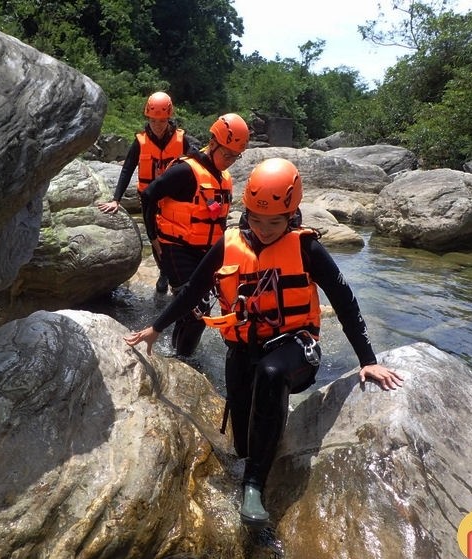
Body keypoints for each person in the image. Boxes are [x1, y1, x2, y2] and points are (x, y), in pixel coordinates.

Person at [124, 157, 404, 528]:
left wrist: (368, 359)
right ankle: (264, 442)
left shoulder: (307, 249)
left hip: (297, 348)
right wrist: (156, 329)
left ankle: (254, 486)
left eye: (275, 222)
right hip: (243, 349)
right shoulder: (229, 245)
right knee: (242, 444)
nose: (265, 229)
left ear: (292, 214)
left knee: (271, 374)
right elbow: (191, 291)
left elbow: (345, 302)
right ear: (247, 211)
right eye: (256, 219)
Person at [138, 112, 250, 356]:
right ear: (212, 144)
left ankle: (176, 351)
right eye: (226, 153)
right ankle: (183, 359)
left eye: (235, 156)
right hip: (175, 248)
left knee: (195, 310)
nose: (230, 160)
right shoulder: (186, 171)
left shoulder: (224, 178)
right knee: (197, 312)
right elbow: (148, 196)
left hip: (205, 251)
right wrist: (153, 238)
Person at [98, 91, 194, 293]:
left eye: (162, 120)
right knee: (154, 237)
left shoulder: (182, 139)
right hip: (149, 198)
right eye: (153, 120)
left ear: (169, 118)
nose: (157, 124)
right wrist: (116, 199)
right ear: (148, 118)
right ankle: (163, 271)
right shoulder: (140, 141)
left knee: (173, 237)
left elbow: (199, 165)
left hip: (174, 200)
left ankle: (172, 272)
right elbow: (127, 169)